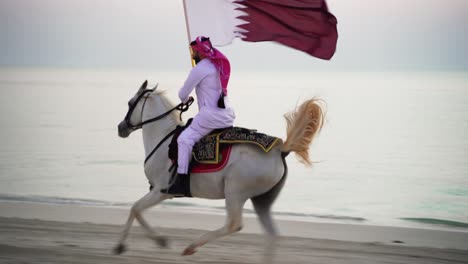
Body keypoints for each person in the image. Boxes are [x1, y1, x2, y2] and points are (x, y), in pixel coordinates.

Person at [164, 36, 235, 196]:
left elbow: (183, 93)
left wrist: (185, 99)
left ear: (199, 51)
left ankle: (181, 183)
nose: (192, 53)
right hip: (227, 115)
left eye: (193, 50)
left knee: (184, 139)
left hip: (210, 117)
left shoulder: (200, 69)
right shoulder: (218, 65)